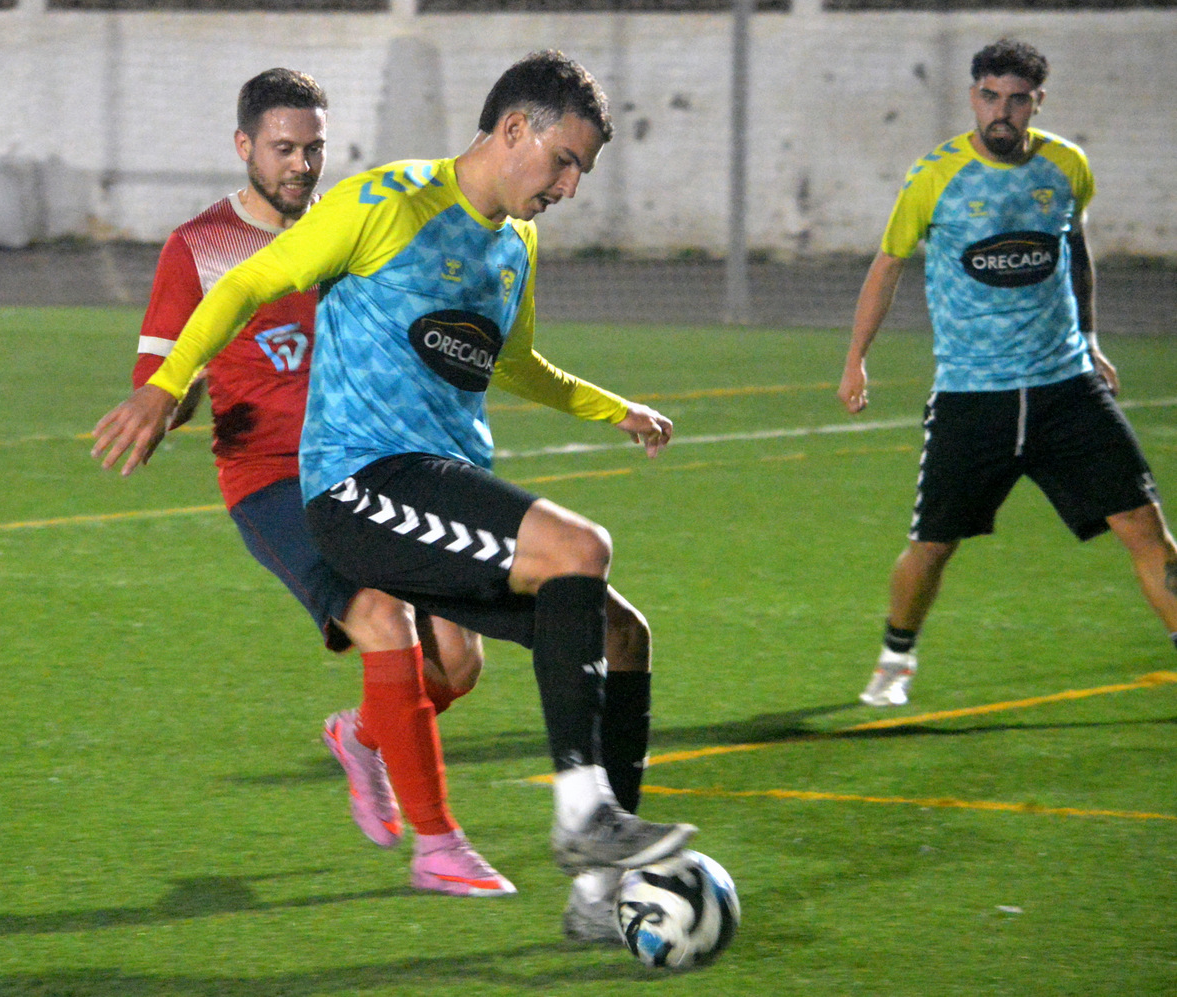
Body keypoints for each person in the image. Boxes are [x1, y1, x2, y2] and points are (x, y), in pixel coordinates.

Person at [93, 50, 694, 939]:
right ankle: (576, 817)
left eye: (583, 171)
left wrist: (614, 408)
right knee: (579, 547)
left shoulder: (516, 241)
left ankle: (603, 896)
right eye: (564, 160)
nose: (570, 186)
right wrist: (163, 382)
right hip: (358, 483)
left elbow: (512, 362)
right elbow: (253, 279)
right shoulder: (387, 202)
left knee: (620, 632)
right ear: (515, 129)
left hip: (446, 486)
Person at [128, 67, 514, 898]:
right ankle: (438, 843)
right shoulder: (198, 247)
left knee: (458, 662)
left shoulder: (352, 225)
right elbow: (163, 371)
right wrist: (171, 400)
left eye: (313, 149)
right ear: (244, 147)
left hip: (371, 460)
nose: (301, 165)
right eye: (283, 149)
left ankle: (365, 737)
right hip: (271, 478)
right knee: (383, 617)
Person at [837, 38, 1177, 707]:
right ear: (973, 96)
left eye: (1017, 99)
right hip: (972, 397)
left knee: (1145, 526)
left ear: (1037, 102)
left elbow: (1074, 252)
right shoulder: (934, 175)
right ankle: (894, 658)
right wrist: (856, 360)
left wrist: (1091, 338)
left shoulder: (1067, 167)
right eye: (990, 96)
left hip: (1067, 388)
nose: (1003, 111)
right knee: (932, 547)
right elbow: (888, 264)